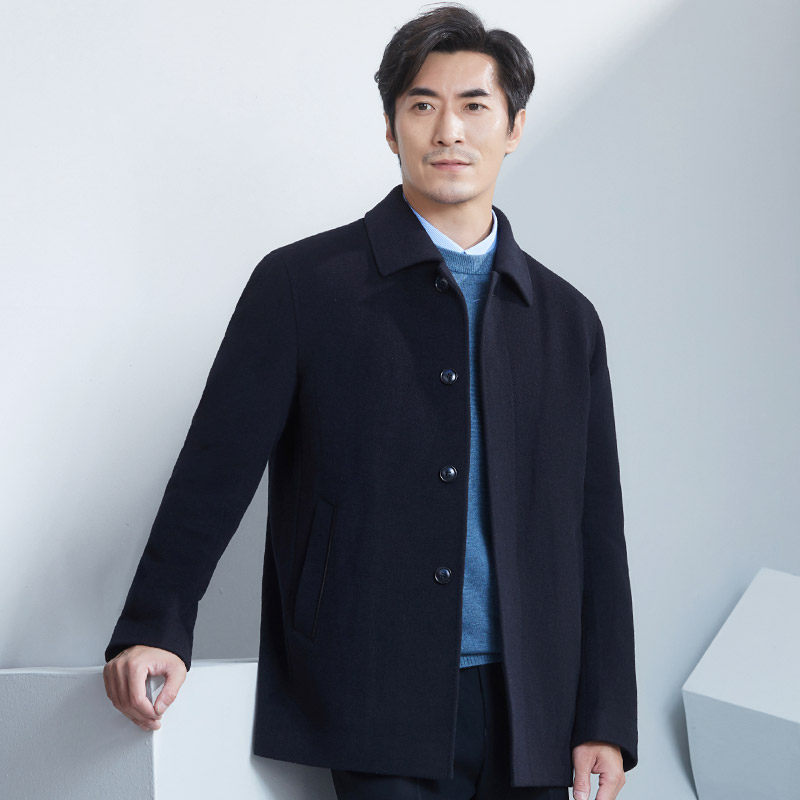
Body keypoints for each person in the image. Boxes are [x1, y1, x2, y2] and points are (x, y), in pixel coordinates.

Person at [103, 5, 637, 799]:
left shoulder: (565, 319)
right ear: (391, 128)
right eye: (422, 105)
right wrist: (155, 625)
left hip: (535, 707)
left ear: (514, 127)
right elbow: (216, 468)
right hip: (372, 686)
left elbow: (595, 527)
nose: (449, 131)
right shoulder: (303, 286)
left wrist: (605, 715)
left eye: (475, 106)